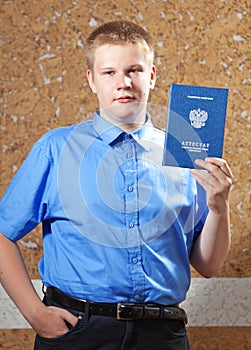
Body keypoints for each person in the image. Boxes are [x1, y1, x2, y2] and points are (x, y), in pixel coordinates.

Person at [0, 20, 233, 350]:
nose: (123, 83)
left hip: (162, 335)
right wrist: (34, 313)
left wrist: (218, 206)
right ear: (92, 81)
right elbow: (2, 233)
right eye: (109, 72)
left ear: (151, 76)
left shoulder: (183, 154)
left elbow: (208, 265)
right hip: (78, 332)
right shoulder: (55, 148)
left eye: (134, 70)